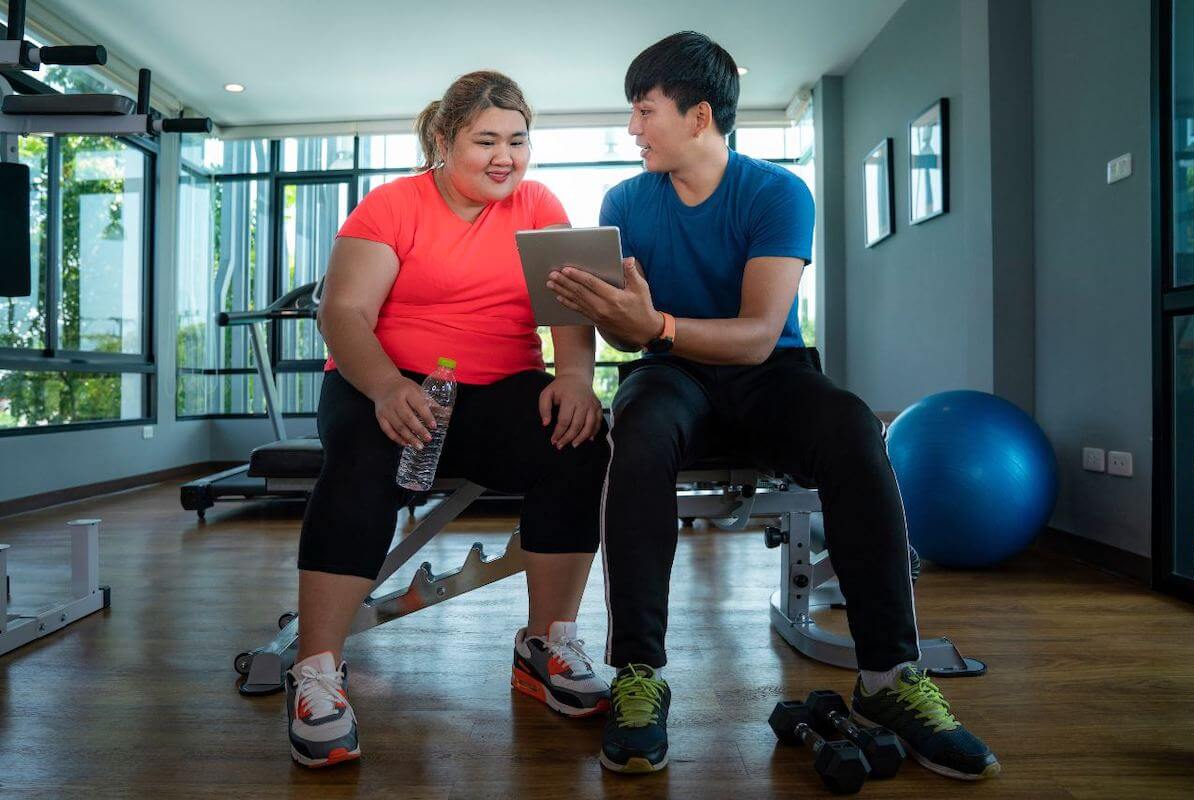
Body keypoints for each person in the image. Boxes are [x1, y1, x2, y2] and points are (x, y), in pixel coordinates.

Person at [547, 32, 1001, 781]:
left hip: (768, 373)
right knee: (641, 423)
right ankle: (638, 673)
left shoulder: (775, 192)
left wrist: (654, 325)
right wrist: (606, 315)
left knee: (853, 426)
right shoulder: (626, 200)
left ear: (698, 117)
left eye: (644, 110)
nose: (632, 129)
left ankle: (890, 677)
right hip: (670, 378)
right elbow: (626, 322)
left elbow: (759, 335)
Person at [286, 70, 611, 768]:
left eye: (518, 141)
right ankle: (316, 670)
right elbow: (342, 313)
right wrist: (380, 387)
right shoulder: (391, 205)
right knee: (361, 461)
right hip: (387, 379)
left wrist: (577, 379)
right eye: (485, 140)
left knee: (578, 441)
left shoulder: (539, 202)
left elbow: (569, 309)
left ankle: (545, 645)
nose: (505, 157)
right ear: (443, 138)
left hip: (500, 386)